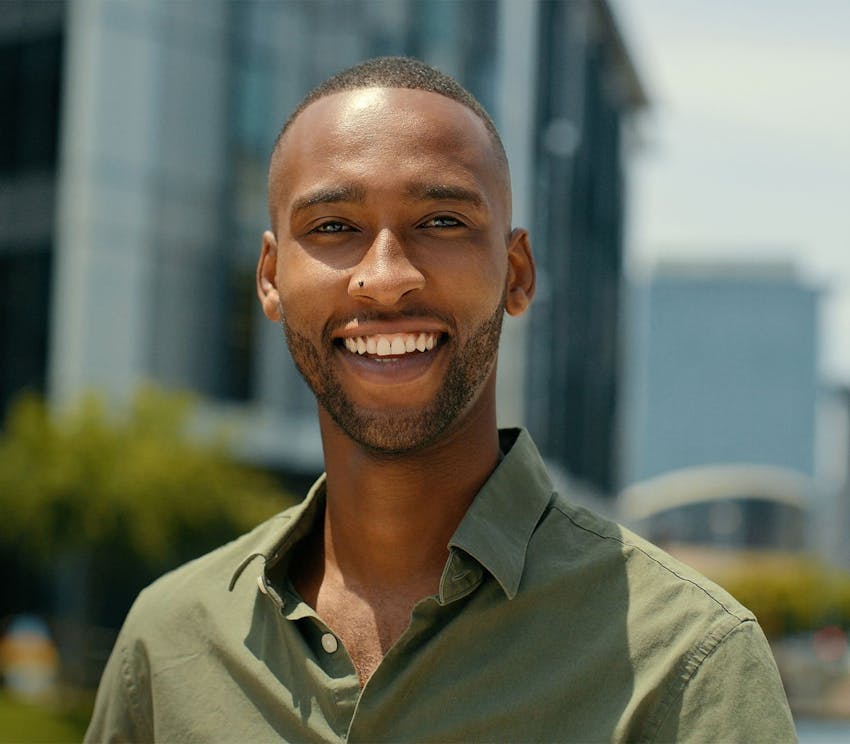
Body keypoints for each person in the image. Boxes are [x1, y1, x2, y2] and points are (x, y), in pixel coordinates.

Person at [86, 57, 795, 743]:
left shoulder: (687, 663)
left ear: (516, 274)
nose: (387, 278)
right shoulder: (169, 644)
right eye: (333, 227)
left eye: (442, 223)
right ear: (271, 279)